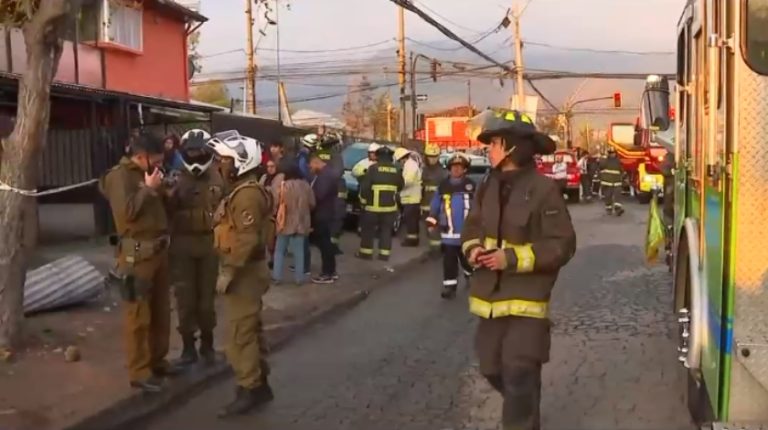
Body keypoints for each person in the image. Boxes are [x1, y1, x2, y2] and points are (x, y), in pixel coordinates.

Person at [461, 109, 576, 430]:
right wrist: (474, 251)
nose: (488, 149)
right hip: (489, 301)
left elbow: (562, 244)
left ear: (512, 146)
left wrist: (509, 259)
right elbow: (471, 228)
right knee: (492, 369)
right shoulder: (487, 186)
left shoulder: (543, 190)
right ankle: (525, 403)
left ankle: (522, 421)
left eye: (494, 143)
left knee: (518, 370)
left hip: (527, 301)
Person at [99, 132, 182, 393]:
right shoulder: (119, 177)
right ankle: (139, 371)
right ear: (140, 156)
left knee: (160, 312)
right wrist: (148, 189)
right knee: (138, 316)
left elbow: (160, 213)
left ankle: (158, 360)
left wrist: (167, 193)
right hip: (136, 255)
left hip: (159, 252)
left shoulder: (151, 175)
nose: (159, 165)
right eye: (155, 161)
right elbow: (126, 216)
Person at [206, 131, 276, 417]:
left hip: (244, 273)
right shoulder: (241, 190)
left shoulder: (247, 195)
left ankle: (250, 388)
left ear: (242, 162)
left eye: (225, 159)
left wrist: (228, 272)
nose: (220, 165)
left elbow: (245, 241)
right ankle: (259, 384)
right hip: (246, 271)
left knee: (240, 335)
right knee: (250, 329)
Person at [166, 129, 224, 367]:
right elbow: (163, 210)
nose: (195, 155)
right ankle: (188, 347)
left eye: (199, 150)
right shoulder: (175, 177)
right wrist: (168, 194)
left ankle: (208, 345)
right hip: (181, 245)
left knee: (207, 300)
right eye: (190, 150)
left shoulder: (219, 177)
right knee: (184, 298)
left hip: (210, 244)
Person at [426, 152, 475, 299]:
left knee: (466, 258)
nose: (456, 170)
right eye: (454, 167)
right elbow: (435, 204)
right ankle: (450, 287)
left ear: (465, 169)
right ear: (449, 169)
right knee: (449, 261)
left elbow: (480, 206)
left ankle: (469, 273)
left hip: (467, 232)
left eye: (460, 167)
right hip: (448, 232)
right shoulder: (443, 186)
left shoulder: (471, 185)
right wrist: (431, 221)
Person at [357, 146, 404, 261]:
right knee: (386, 231)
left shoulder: (373, 169)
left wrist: (363, 202)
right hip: (389, 208)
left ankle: (366, 253)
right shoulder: (396, 170)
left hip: (372, 208)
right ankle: (384, 255)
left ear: (378, 156)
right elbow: (401, 185)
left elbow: (365, 187)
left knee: (368, 230)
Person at [271, 163, 315, 285]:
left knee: (280, 250)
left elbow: (275, 203)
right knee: (299, 251)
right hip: (301, 222)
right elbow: (312, 203)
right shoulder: (306, 186)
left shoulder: (283, 186)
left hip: (284, 222)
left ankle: (277, 277)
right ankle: (299, 278)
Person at [307, 151, 339, 284]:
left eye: (310, 165)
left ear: (316, 162)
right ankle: (331, 271)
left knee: (324, 243)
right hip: (325, 213)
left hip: (322, 214)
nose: (310, 168)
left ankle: (327, 273)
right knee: (325, 243)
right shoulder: (326, 174)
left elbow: (318, 195)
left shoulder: (324, 176)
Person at [315, 132, 346, 255]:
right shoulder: (336, 156)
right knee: (337, 217)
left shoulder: (316, 154)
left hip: (318, 188)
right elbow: (338, 172)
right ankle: (332, 244)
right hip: (335, 190)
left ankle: (320, 241)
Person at [421, 142, 447, 255]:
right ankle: (436, 248)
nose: (432, 159)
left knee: (435, 229)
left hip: (438, 207)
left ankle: (436, 251)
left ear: (438, 156)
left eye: (434, 157)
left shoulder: (444, 172)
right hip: (425, 205)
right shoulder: (423, 170)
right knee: (429, 228)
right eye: (429, 157)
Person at [394, 147, 422, 247]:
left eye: (399, 161)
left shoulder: (410, 165)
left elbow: (407, 181)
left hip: (411, 198)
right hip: (410, 198)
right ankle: (413, 239)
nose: (399, 163)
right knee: (412, 220)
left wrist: (398, 184)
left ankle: (411, 241)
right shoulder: (409, 164)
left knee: (411, 221)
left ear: (402, 158)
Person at [599, 147, 624, 216]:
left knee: (617, 195)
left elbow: (622, 170)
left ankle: (618, 209)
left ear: (615, 153)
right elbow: (600, 167)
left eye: (613, 153)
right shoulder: (605, 161)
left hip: (617, 182)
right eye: (610, 153)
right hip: (607, 182)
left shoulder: (618, 161)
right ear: (608, 154)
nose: (612, 155)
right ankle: (608, 209)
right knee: (608, 196)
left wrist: (623, 177)